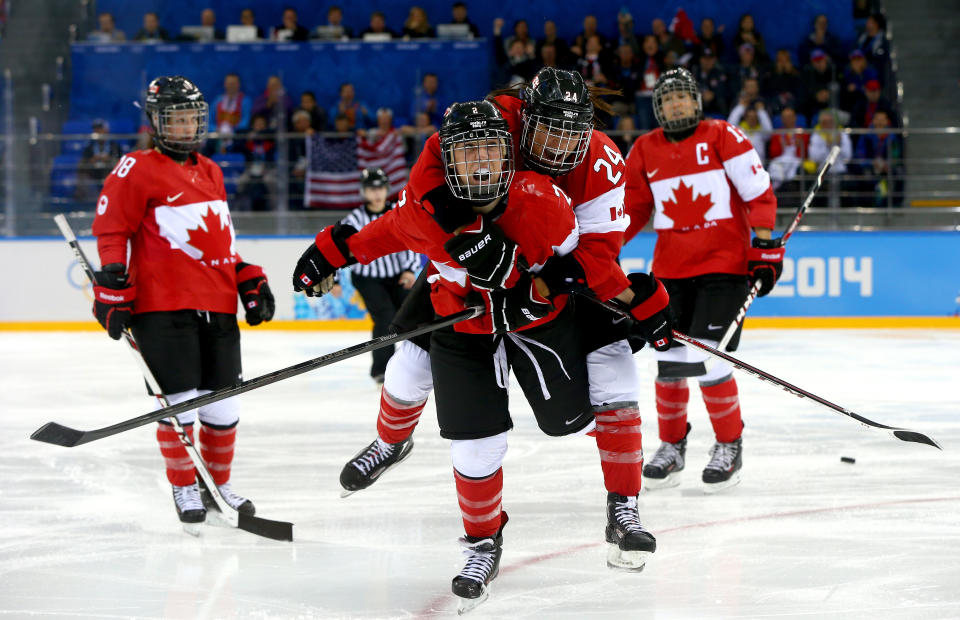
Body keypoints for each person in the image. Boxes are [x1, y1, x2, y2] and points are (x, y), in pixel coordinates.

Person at [293, 98, 671, 609]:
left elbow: (581, 267)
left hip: (535, 326)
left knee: (590, 399)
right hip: (465, 333)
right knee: (470, 440)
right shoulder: (426, 211)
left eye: (491, 151)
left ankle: (622, 506)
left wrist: (624, 298)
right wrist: (329, 253)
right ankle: (482, 541)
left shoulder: (544, 202)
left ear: (510, 154)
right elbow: (378, 236)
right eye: (467, 155)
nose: (480, 164)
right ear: (446, 162)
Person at [90, 76, 275, 526]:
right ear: (156, 121)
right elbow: (112, 229)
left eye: (192, 116)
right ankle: (184, 485)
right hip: (162, 306)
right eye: (177, 117)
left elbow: (219, 241)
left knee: (224, 403)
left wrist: (246, 277)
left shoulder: (211, 170)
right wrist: (112, 282)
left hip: (217, 304)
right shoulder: (137, 167)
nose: (187, 125)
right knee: (180, 402)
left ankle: (217, 483)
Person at [624, 68, 781, 492]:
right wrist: (601, 247)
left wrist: (764, 248)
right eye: (667, 98)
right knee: (670, 362)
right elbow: (633, 208)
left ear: (696, 101)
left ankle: (730, 444)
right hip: (671, 272)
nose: (676, 104)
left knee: (710, 358)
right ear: (658, 108)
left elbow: (758, 194)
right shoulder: (643, 149)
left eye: (682, 97)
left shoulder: (722, 135)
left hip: (723, 269)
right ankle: (672, 447)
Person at [342, 168, 419, 383]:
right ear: (364, 192)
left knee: (411, 317)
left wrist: (410, 269)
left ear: (386, 190)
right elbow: (342, 248)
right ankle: (381, 370)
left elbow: (411, 241)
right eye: (371, 189)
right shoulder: (355, 219)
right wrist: (336, 279)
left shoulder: (398, 211)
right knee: (385, 317)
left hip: (397, 275)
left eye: (380, 188)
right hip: (367, 277)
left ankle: (415, 366)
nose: (376, 194)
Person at [76, 119, 122, 201]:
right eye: (95, 129)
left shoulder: (115, 146)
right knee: (82, 177)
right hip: (94, 174)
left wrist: (109, 159)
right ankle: (88, 202)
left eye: (100, 129)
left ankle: (113, 199)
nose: (98, 132)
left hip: (109, 173)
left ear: (106, 130)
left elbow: (121, 164)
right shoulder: (89, 147)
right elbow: (81, 165)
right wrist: (91, 161)